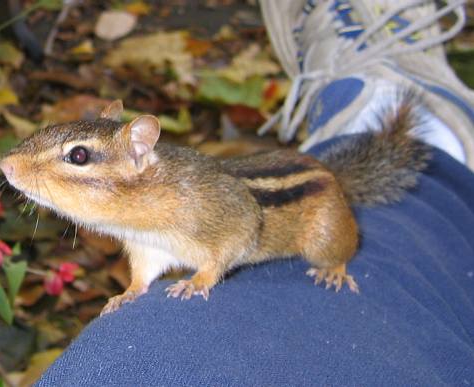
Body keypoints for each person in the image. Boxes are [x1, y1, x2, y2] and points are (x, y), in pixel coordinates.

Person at [36, 1, 474, 385]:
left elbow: (242, 227)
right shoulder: (140, 212)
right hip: (291, 178)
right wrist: (137, 286)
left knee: (327, 247)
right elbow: (148, 246)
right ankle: (433, 146)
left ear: (137, 154)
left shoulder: (186, 201)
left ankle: (419, 138)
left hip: (302, 206)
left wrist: (207, 274)